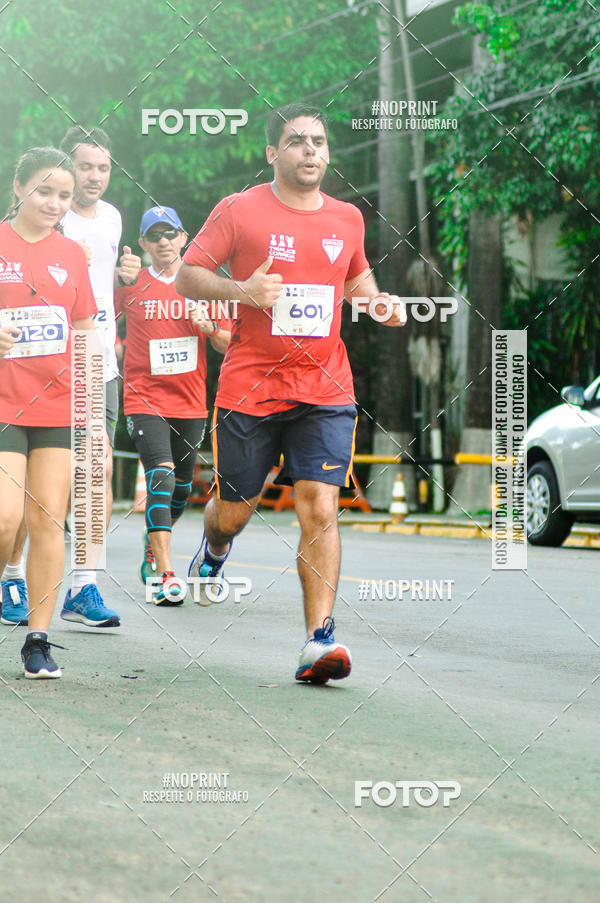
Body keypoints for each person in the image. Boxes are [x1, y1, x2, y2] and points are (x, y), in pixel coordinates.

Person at [176, 102, 406, 684]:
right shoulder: (240, 209)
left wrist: (376, 302)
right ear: (272, 153)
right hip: (250, 388)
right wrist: (243, 291)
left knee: (321, 507)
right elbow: (187, 273)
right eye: (297, 140)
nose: (310, 150)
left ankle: (318, 640)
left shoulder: (347, 218)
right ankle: (215, 549)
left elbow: (353, 277)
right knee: (234, 512)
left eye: (319, 141)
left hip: (325, 385)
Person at [0, 146, 97, 677]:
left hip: (57, 404)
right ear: (18, 188)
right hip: (2, 402)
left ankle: (37, 638)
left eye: (63, 195)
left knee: (47, 521)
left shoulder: (73, 253)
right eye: (44, 191)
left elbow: (83, 329)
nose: (55, 202)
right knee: (5, 515)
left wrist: (90, 412)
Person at [115, 205, 230, 605]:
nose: (164, 242)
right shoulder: (130, 284)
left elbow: (229, 342)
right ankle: (166, 573)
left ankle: (153, 543)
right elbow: (94, 321)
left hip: (191, 402)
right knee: (160, 477)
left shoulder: (200, 284)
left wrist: (211, 326)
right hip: (144, 398)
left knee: (181, 490)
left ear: (184, 238)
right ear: (144, 243)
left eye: (171, 234)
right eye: (155, 236)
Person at [57, 125, 141, 627]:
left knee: (97, 471)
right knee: (42, 480)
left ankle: (83, 587)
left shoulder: (111, 217)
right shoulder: (49, 213)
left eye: (102, 167)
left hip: (99, 360)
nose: (94, 176)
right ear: (67, 166)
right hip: (47, 359)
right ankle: (13, 578)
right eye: (85, 166)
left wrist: (122, 274)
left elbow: (98, 286)